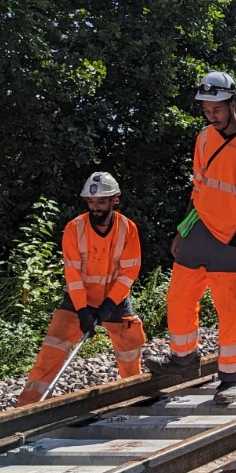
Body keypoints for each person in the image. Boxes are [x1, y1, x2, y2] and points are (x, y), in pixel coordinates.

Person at [164, 70, 236, 401]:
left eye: (218, 110)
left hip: (235, 235)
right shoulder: (203, 137)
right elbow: (198, 186)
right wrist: (183, 229)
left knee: (230, 308)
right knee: (179, 297)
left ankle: (229, 379)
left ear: (232, 103)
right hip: (199, 228)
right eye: (207, 111)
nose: (212, 116)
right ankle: (184, 357)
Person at [17, 171, 145, 405]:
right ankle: (27, 406)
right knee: (51, 350)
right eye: (91, 202)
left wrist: (109, 304)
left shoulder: (128, 229)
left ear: (115, 199)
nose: (95, 207)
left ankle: (134, 392)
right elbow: (73, 274)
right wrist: (83, 309)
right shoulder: (74, 228)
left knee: (130, 346)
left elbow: (129, 272)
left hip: (114, 300)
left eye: (101, 202)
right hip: (79, 301)